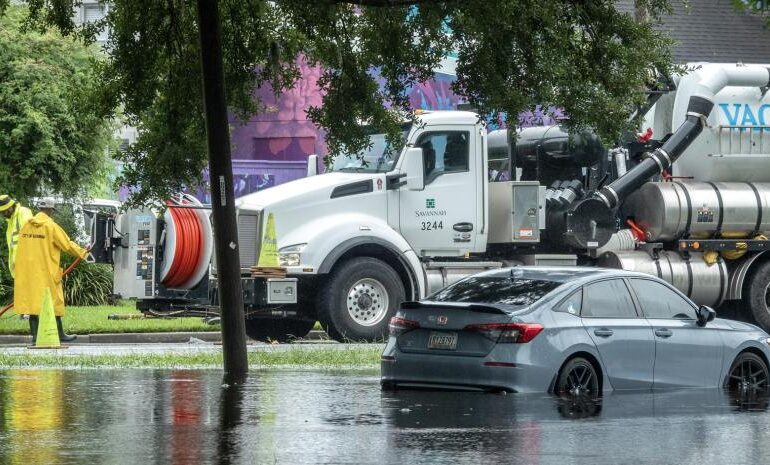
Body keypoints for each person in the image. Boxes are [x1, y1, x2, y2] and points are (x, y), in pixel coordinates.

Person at [14, 198, 87, 343]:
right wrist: (84, 253)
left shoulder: (26, 226)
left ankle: (35, 337)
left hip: (28, 272)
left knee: (32, 303)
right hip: (47, 271)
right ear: (49, 210)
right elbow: (67, 245)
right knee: (54, 301)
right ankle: (60, 334)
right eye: (52, 210)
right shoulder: (51, 226)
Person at [0, 195, 34, 279]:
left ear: (11, 206)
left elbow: (31, 237)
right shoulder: (11, 220)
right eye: (2, 211)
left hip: (28, 263)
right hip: (20, 265)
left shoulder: (23, 212)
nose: (4, 213)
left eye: (5, 210)